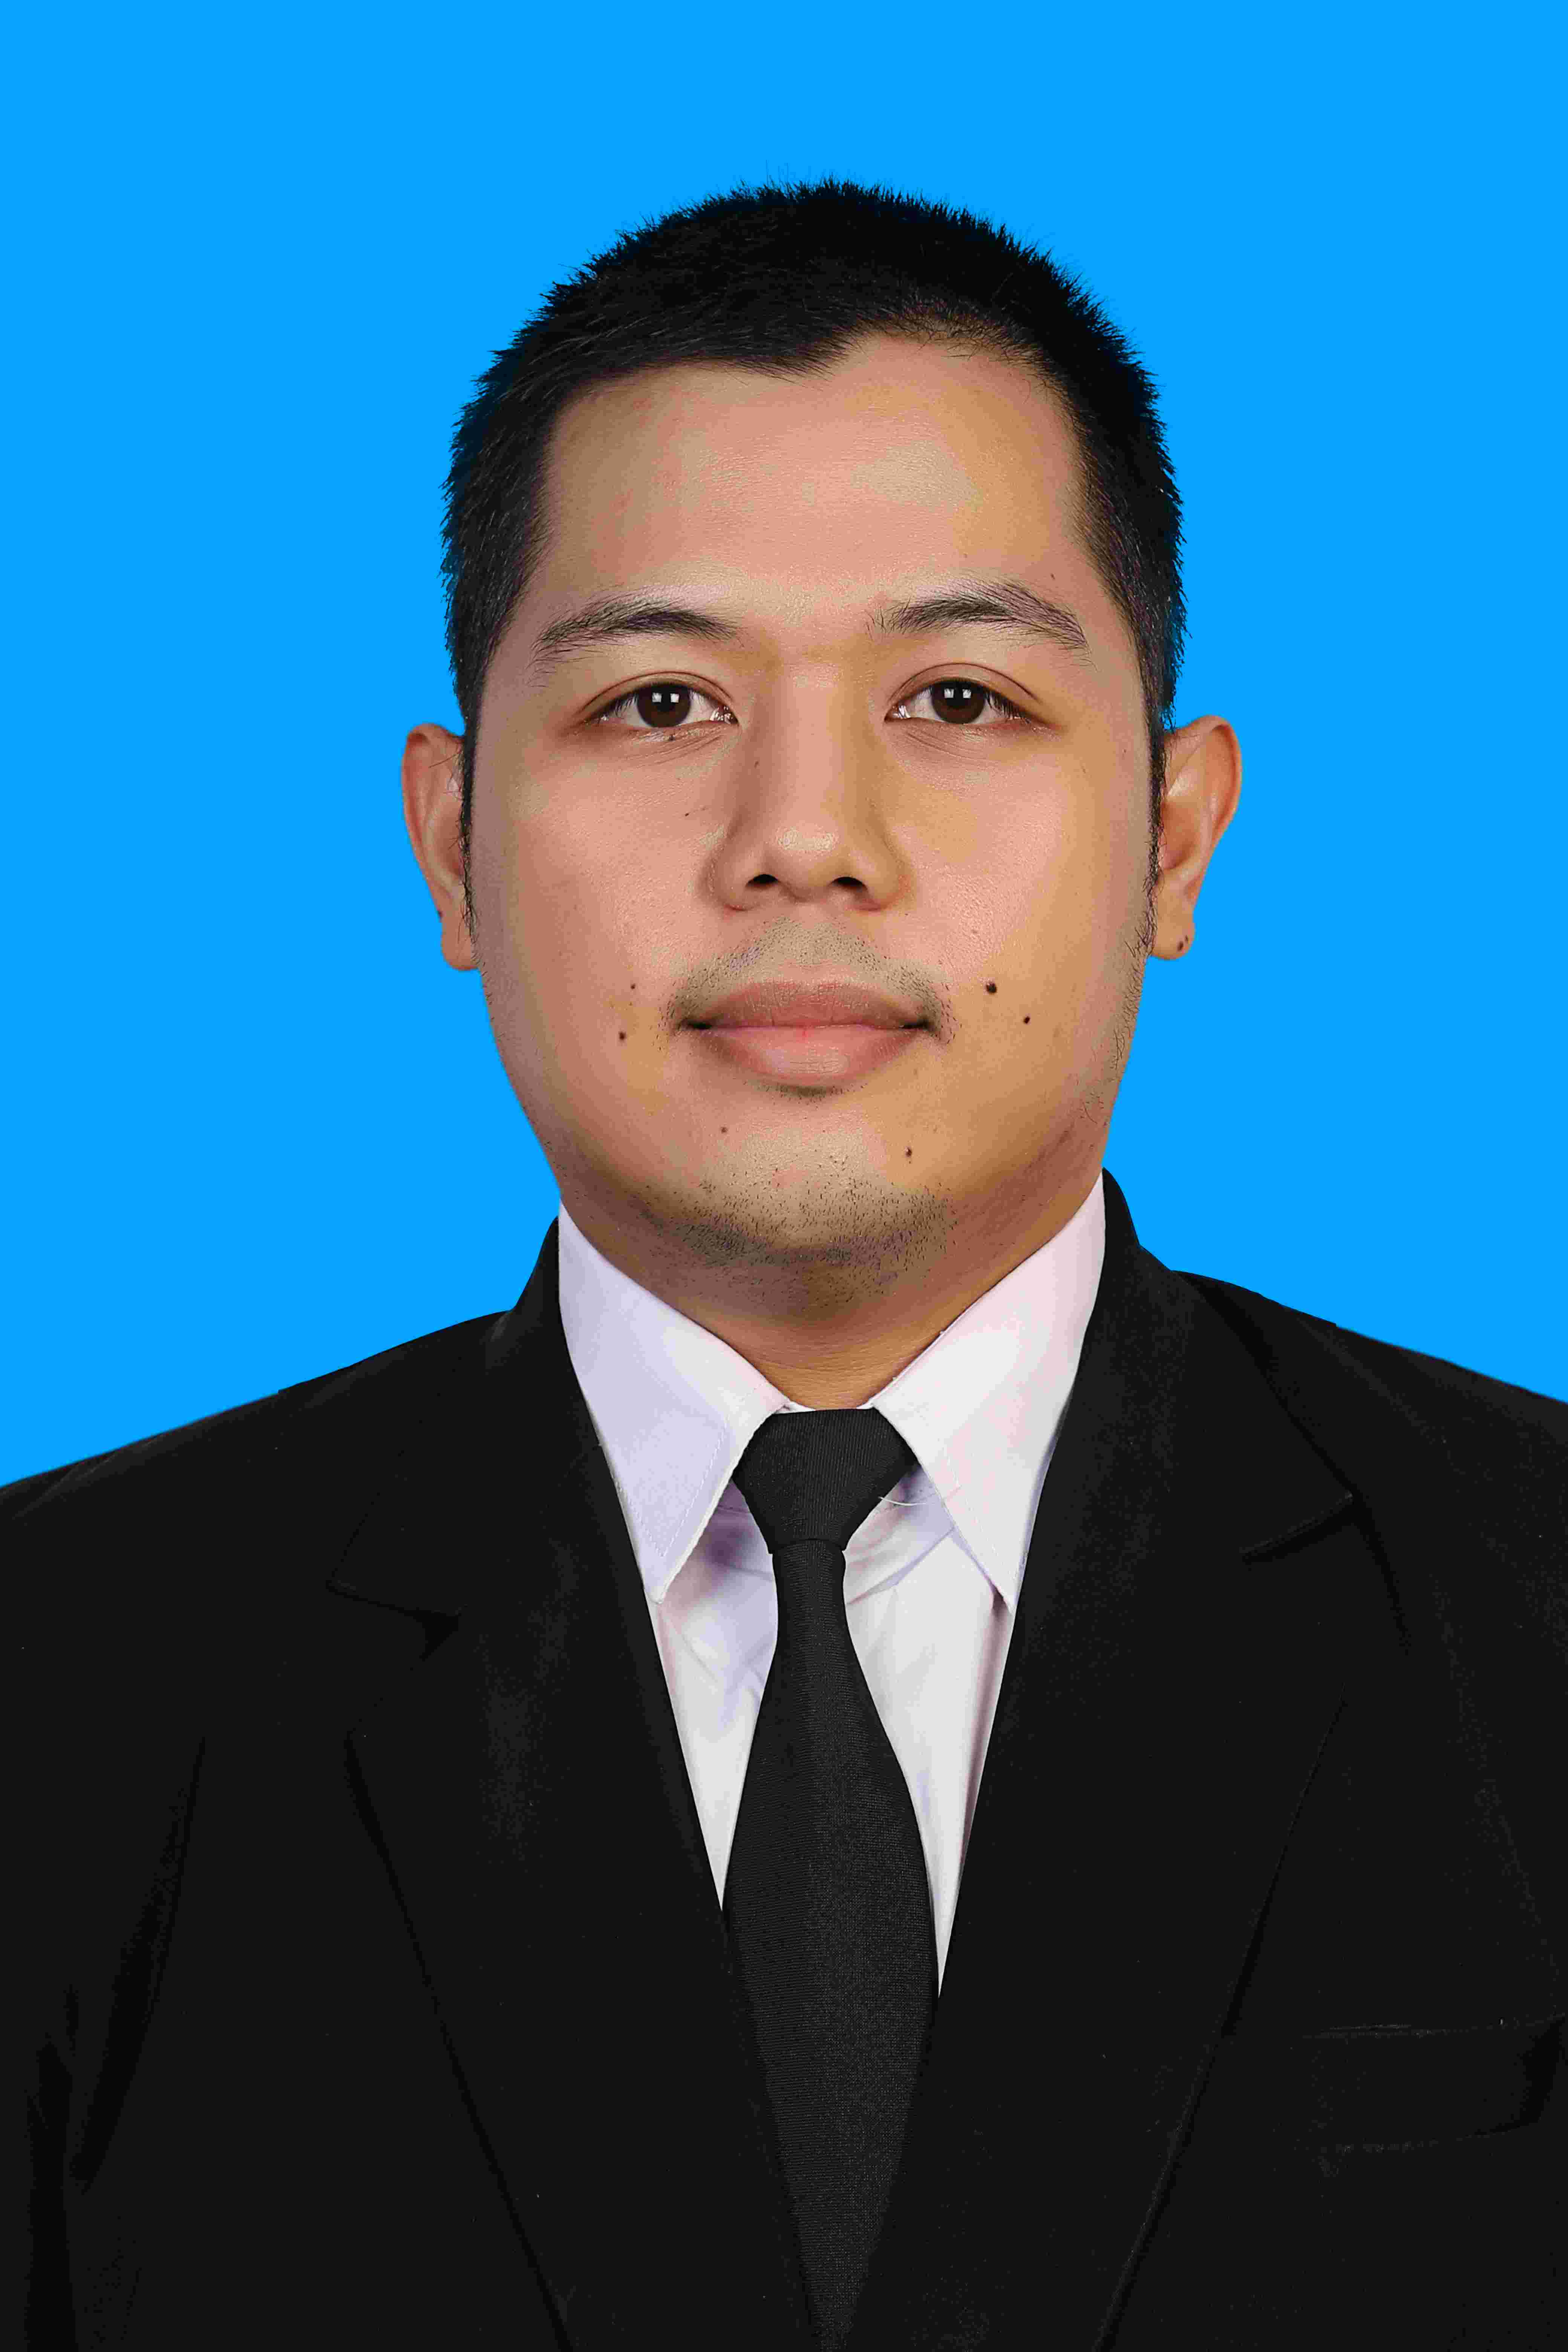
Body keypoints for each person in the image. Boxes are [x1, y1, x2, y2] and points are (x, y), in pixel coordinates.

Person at [11, 177, 1565, 2352]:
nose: (805, 837)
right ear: (453, 844)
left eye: (959, 695)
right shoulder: (60, 1683)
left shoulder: (1531, 1601)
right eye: (661, 703)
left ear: (1174, 835)